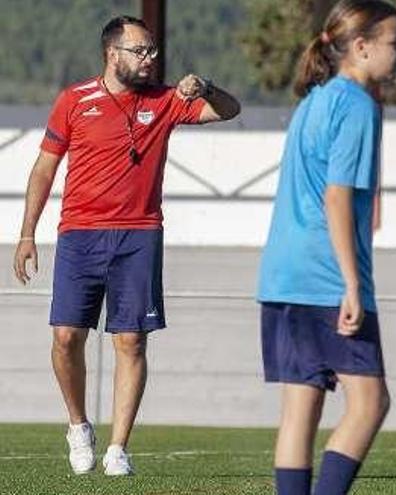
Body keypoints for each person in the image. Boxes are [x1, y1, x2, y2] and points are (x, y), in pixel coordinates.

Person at [11, 16, 239, 476]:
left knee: (131, 340)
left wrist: (207, 87)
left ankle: (118, 448)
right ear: (113, 54)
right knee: (65, 337)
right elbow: (43, 169)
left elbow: (230, 110)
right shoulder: (74, 101)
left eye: (152, 51)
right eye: (141, 51)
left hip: (140, 233)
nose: (151, 59)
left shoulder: (167, 99)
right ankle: (78, 426)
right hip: (80, 232)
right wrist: (26, 234)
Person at [256, 1, 396, 494]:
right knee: (369, 403)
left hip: (283, 274)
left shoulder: (314, 101)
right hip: (326, 276)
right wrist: (351, 283)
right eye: (393, 43)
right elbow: (337, 195)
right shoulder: (359, 105)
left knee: (301, 405)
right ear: (362, 47)